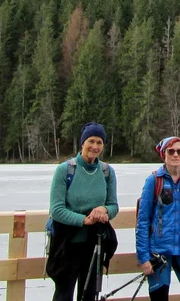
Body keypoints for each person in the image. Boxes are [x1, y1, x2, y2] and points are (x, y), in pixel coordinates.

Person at [47, 122, 119, 301]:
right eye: (91, 141)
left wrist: (103, 209)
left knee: (89, 295)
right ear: (82, 143)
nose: (95, 147)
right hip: (67, 243)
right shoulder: (65, 170)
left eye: (99, 142)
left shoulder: (107, 172)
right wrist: (83, 220)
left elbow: (113, 206)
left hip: (95, 243)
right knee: (63, 294)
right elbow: (56, 210)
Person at [136, 136, 180, 301]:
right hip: (159, 252)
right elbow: (143, 221)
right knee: (159, 297)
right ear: (164, 154)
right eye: (171, 151)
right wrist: (144, 257)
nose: (176, 155)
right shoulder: (153, 181)